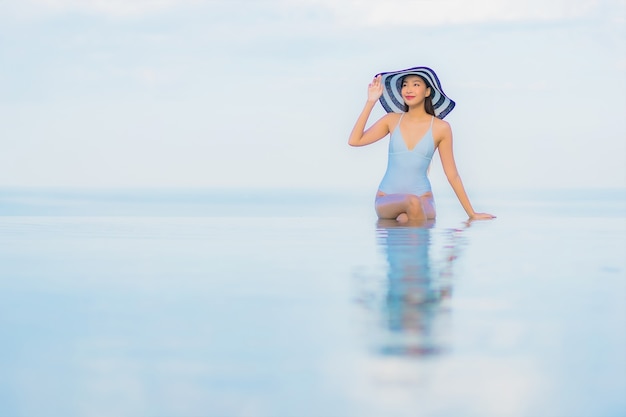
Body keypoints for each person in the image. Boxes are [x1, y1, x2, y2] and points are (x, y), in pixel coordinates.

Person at [348, 66, 495, 224]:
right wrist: (370, 102)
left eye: (416, 85)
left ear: (427, 92)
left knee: (406, 215)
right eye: (405, 85)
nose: (408, 89)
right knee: (411, 204)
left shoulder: (441, 128)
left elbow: (452, 175)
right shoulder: (391, 120)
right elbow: (355, 140)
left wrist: (471, 214)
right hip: (386, 198)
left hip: (424, 199)